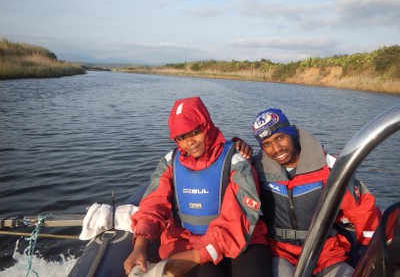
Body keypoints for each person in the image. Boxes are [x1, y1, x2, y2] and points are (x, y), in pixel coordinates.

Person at [124, 97, 271, 277]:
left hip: (239, 239)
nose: (189, 142)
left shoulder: (236, 161)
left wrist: (196, 255)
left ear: (206, 125)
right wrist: (140, 246)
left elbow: (239, 218)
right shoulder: (170, 163)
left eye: (194, 132)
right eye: (181, 137)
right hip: (187, 239)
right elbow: (153, 204)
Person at [251, 108, 381, 277]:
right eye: (267, 144)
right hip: (280, 251)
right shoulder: (256, 170)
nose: (276, 149)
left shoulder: (330, 168)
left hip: (325, 251)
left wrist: (373, 247)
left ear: (292, 134)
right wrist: (238, 145)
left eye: (280, 138)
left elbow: (361, 209)